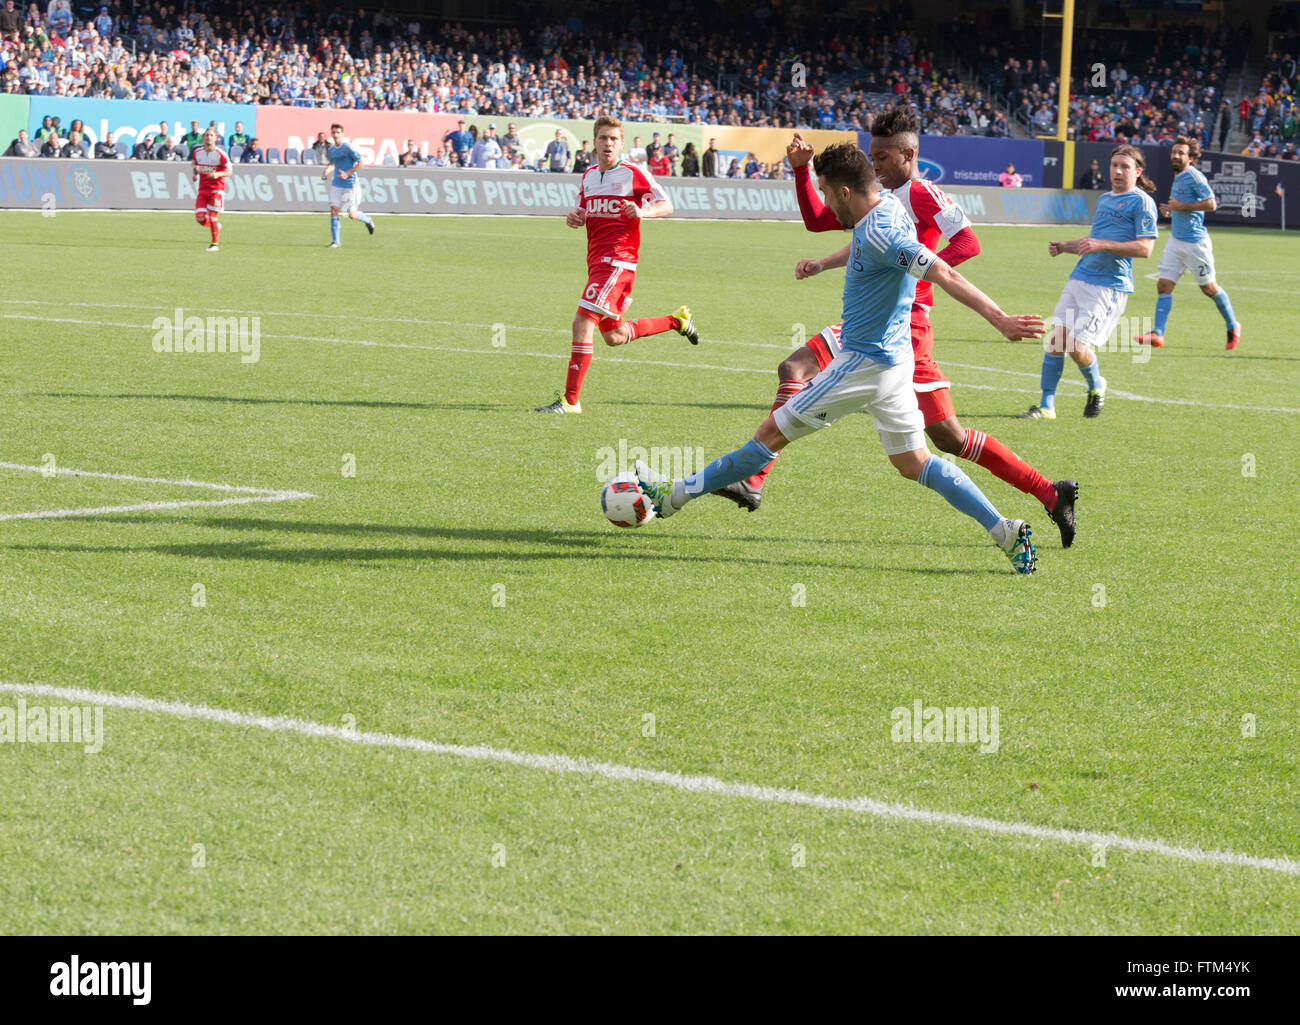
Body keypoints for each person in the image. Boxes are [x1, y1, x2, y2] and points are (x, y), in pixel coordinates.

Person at [632, 141, 1044, 575]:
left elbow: (942, 271)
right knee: (916, 462)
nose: (828, 204)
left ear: (845, 192)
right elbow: (868, 246)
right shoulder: (884, 209)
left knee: (768, 436)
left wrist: (999, 319)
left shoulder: (882, 230)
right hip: (895, 361)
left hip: (864, 363)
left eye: (827, 194)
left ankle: (670, 497)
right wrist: (825, 262)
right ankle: (1004, 530)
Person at [715, 114, 1078, 547]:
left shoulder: (923, 193)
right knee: (793, 368)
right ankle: (754, 478)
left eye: (884, 156)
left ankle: (1048, 491)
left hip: (904, 326)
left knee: (949, 437)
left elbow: (967, 243)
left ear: (909, 154)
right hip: (874, 322)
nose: (877, 164)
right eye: (873, 156)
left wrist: (916, 278)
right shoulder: (878, 196)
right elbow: (823, 222)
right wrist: (814, 224)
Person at [534, 115, 699, 414]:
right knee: (614, 336)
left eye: (613, 139)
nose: (608, 143)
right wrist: (575, 217)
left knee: (582, 322)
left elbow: (666, 205)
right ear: (594, 142)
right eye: (603, 138)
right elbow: (583, 210)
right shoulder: (587, 177)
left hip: (618, 262)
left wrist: (641, 212)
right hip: (596, 262)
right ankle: (676, 321)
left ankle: (570, 401)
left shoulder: (633, 174)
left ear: (621, 143)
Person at [1019, 145, 1157, 420]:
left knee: (1078, 347)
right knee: (1056, 340)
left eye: (1125, 167)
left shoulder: (1142, 203)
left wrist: (1101, 244)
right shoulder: (1106, 199)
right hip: (1080, 277)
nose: (1117, 171)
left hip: (1108, 286)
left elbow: (1145, 249)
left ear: (1137, 171)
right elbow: (1093, 244)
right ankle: (1046, 406)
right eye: (1114, 165)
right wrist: (1066, 246)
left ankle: (1097, 384)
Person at [1134, 135, 1240, 350]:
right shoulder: (1180, 176)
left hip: (1195, 244)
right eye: (1174, 152)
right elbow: (1185, 207)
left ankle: (1233, 325)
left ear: (1190, 158)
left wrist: (1180, 206)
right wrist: (1172, 210)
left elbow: (1211, 204)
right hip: (1176, 240)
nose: (1175, 156)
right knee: (1163, 285)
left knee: (1209, 289)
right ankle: (1158, 334)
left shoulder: (1194, 176)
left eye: (1181, 153)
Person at [321, 123, 375, 247]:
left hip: (351, 185)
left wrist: (348, 173)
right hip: (337, 183)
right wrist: (326, 172)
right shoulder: (332, 150)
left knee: (352, 215)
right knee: (334, 209)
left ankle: (368, 220)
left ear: (342, 134)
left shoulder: (348, 148)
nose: (335, 135)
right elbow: (333, 164)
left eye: (338, 132)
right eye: (334, 132)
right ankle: (336, 242)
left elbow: (361, 163)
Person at [191, 127, 230, 251]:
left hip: (216, 190)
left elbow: (230, 171)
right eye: (206, 135)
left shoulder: (220, 154)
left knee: (213, 216)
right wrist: (194, 173)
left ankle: (214, 244)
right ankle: (216, 226)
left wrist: (217, 174)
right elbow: (194, 164)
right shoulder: (197, 152)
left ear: (215, 138)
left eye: (211, 135)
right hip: (202, 190)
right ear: (203, 138)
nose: (208, 137)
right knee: (200, 218)